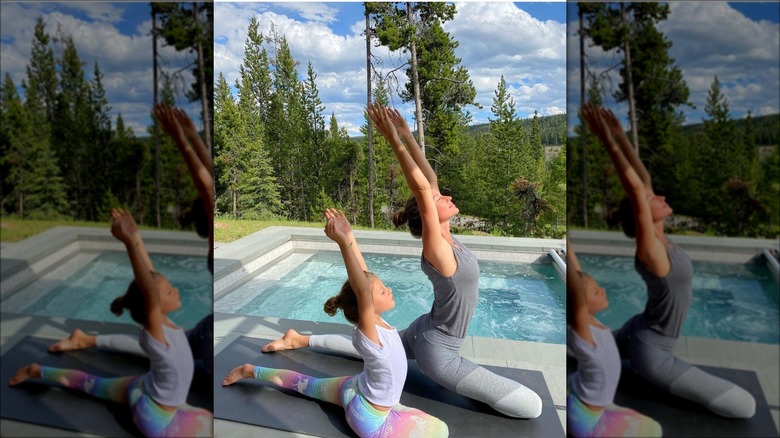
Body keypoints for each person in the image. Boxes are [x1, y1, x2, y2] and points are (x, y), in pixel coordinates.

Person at [261, 104, 542, 419]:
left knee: (373, 345)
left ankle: (299, 338)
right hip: (439, 355)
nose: (446, 197)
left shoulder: (446, 237)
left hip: (426, 329)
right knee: (533, 407)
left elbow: (429, 179)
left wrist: (407, 133)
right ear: (428, 215)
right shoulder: (436, 248)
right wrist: (393, 139)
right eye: (439, 200)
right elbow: (423, 188)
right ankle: (300, 340)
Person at [580, 103, 755, 419]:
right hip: (653, 354)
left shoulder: (661, 239)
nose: (658, 196)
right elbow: (635, 188)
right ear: (642, 214)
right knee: (745, 407)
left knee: (585, 348)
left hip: (640, 327)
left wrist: (620, 133)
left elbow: (642, 178)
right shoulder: (651, 249)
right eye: (651, 201)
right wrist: (605, 138)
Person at [223, 208, 448, 438]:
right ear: (366, 304)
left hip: (355, 387)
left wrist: (349, 236)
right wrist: (342, 244)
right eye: (382, 290)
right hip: (370, 419)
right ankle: (252, 372)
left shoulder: (376, 322)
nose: (388, 290)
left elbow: (364, 277)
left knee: (307, 384)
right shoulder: (370, 331)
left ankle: (251, 370)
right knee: (441, 431)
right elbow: (362, 287)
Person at [9, 209, 213, 437]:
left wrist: (135, 238)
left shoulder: (163, 322)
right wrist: (128, 244)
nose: (175, 290)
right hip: (156, 417)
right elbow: (148, 288)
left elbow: (150, 278)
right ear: (154, 302)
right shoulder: (158, 330)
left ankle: (38, 371)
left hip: (144, 386)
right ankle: (38, 372)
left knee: (94, 385)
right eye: (168, 291)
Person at [47, 105, 214, 376]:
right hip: (208, 336)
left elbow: (209, 185)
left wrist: (191, 137)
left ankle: (86, 339)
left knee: (163, 341)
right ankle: (85, 339)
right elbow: (208, 188)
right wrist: (183, 140)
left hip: (207, 330)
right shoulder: (215, 238)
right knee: (165, 343)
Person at [566, 239, 662, 437]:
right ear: (580, 303)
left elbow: (578, 279)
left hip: (586, 397)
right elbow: (576, 289)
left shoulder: (590, 322)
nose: (603, 290)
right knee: (654, 431)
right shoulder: (583, 331)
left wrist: (568, 246)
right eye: (595, 291)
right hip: (586, 421)